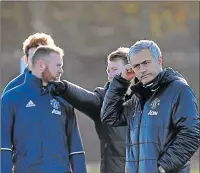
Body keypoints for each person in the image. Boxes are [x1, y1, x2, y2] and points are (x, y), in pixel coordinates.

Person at [100, 40, 200, 173]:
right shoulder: (137, 97)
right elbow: (109, 117)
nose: (142, 70)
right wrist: (121, 81)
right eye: (136, 66)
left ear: (159, 60)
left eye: (146, 63)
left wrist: (163, 168)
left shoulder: (179, 90)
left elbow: (191, 134)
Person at [1, 46, 87, 173]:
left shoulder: (64, 99)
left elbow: (75, 146)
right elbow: (4, 146)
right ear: (41, 65)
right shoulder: (11, 98)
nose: (61, 71)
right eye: (58, 66)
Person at [49, 47, 129, 173]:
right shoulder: (103, 99)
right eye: (108, 70)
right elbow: (86, 98)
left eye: (114, 69)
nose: (110, 74)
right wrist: (64, 88)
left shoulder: (147, 97)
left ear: (130, 69)